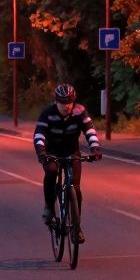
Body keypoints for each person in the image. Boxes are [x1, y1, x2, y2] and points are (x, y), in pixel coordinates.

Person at [34, 83, 101, 243]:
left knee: (76, 187)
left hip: (71, 152)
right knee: (51, 171)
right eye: (62, 103)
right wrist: (41, 152)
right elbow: (39, 134)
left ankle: (76, 228)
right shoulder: (47, 114)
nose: (66, 106)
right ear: (56, 102)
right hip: (51, 152)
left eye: (69, 102)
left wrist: (95, 148)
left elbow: (89, 130)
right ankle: (49, 208)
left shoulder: (79, 111)